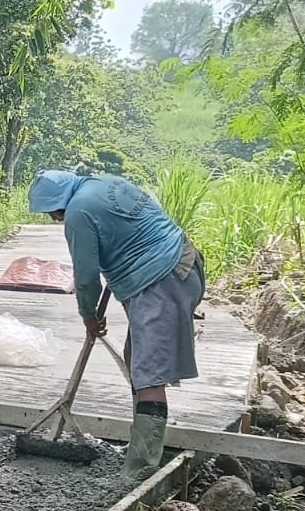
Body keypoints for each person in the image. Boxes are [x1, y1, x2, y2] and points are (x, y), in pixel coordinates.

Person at [28, 169, 204, 481]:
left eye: (53, 213)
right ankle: (140, 445)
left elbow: (85, 277)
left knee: (150, 375)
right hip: (183, 261)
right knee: (135, 358)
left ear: (60, 204)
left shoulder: (78, 213)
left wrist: (89, 316)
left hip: (161, 278)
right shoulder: (106, 183)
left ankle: (141, 470)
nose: (55, 219)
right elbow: (132, 229)